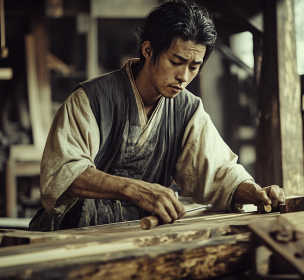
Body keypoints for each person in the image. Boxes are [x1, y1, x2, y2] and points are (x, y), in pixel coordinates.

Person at [29, 0, 284, 231]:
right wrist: (135, 189)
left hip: (140, 232)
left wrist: (254, 192)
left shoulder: (188, 110)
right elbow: (64, 172)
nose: (184, 77)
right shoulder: (92, 99)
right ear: (148, 51)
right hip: (72, 235)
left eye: (193, 67)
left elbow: (218, 173)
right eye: (176, 62)